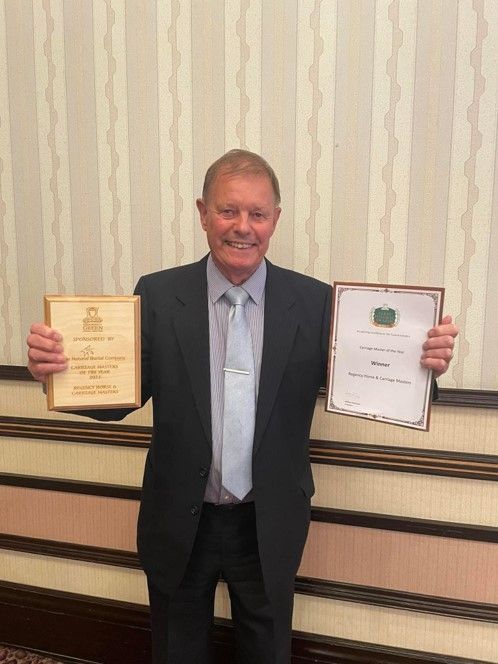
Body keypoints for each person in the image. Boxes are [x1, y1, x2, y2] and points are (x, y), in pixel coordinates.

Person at [27, 150, 458, 664]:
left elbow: (366, 381)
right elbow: (121, 394)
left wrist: (422, 367)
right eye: (228, 211)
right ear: (203, 212)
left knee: (267, 649)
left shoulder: (318, 302)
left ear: (275, 218)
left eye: (257, 213)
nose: (243, 227)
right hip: (180, 517)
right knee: (176, 649)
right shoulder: (159, 295)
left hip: (269, 517)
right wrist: (58, 372)